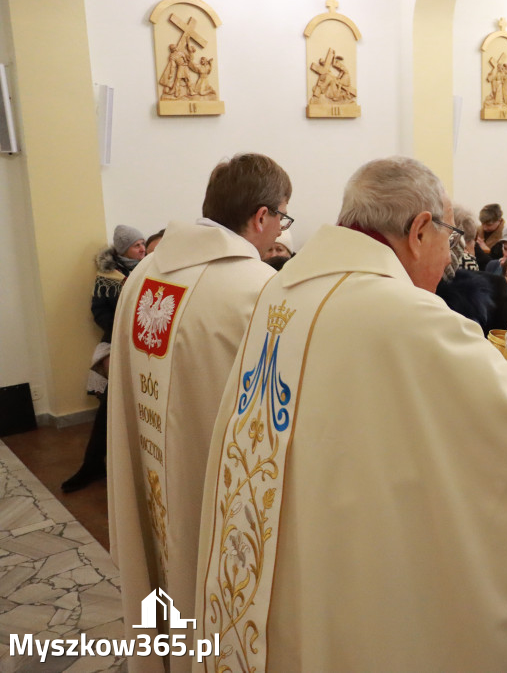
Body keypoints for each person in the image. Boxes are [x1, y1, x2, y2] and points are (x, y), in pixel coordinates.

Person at [193, 156, 507, 672]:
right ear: (421, 229)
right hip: (363, 572)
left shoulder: (284, 289)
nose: (449, 260)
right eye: (450, 239)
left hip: (291, 559)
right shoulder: (404, 315)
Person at [106, 153, 289, 672]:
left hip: (156, 468)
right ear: (261, 217)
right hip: (209, 503)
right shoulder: (255, 292)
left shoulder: (144, 277)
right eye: (281, 218)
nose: (279, 229)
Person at [61, 225, 146, 493]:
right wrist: (121, 329)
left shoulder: (150, 270)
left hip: (149, 343)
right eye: (137, 245)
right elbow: (99, 311)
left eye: (144, 245)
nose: (142, 250)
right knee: (110, 401)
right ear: (123, 249)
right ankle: (94, 462)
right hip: (119, 341)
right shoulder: (108, 275)